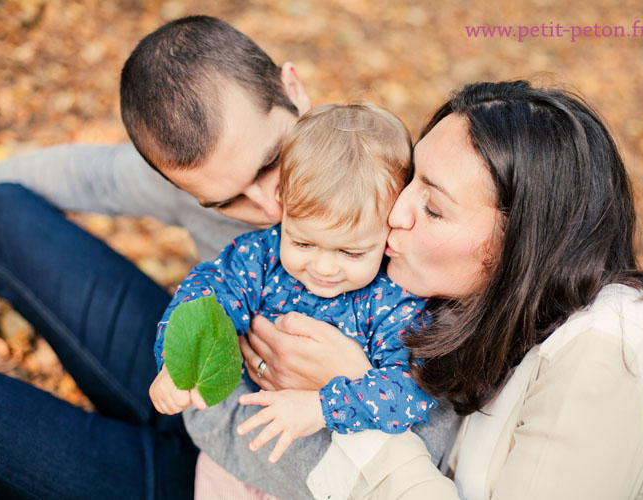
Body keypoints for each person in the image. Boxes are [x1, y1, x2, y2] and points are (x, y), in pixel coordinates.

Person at [0, 16, 458, 500]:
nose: (272, 206)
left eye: (270, 162)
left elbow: (430, 426)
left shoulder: (385, 192)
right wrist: (175, 358)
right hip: (198, 388)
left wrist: (339, 384)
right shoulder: (200, 175)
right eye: (226, 201)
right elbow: (86, 175)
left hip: (263, 468)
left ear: (293, 88)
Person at [248, 81, 643, 500]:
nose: (393, 214)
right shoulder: (474, 305)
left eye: (433, 208)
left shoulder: (603, 362)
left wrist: (349, 392)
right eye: (409, 180)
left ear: (524, 242)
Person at [150, 103, 436, 497]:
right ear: (284, 203)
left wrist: (321, 406)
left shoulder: (393, 301)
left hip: (316, 473)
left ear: (390, 225)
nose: (323, 267)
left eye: (351, 253)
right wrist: (177, 359)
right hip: (232, 461)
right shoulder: (263, 255)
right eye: (303, 242)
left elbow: (410, 392)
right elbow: (208, 293)